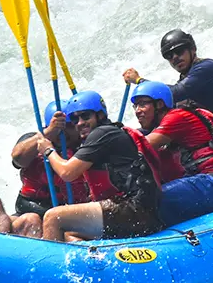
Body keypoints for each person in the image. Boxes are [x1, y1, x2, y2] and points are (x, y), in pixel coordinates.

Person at [34, 91, 162, 242]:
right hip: (137, 211)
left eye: (85, 116)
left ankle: (51, 264)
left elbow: (67, 172)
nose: (80, 123)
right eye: (75, 119)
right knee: (70, 233)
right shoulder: (100, 135)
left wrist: (48, 150)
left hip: (134, 209)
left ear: (100, 115)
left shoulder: (103, 133)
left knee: (54, 216)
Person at [122, 28, 213, 162]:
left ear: (192, 49)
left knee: (211, 156)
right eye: (169, 55)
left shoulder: (206, 68)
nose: (175, 57)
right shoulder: (186, 78)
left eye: (179, 51)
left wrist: (139, 81)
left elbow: (173, 93)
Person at [130, 80, 213, 226]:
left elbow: (141, 147)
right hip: (201, 185)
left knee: (151, 200)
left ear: (159, 105)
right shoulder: (162, 128)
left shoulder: (177, 117)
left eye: (143, 104)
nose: (137, 110)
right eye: (135, 106)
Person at [10, 101, 89, 217]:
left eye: (69, 127)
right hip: (33, 206)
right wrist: (48, 133)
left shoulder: (86, 144)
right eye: (59, 128)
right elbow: (18, 158)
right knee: (26, 220)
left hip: (74, 210)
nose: (63, 133)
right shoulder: (35, 140)